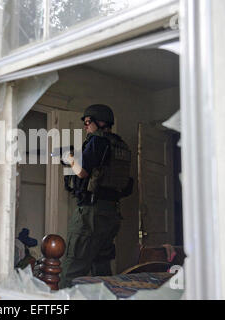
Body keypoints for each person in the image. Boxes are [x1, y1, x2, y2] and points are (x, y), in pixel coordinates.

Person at [59, 104, 133, 289]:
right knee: (101, 267)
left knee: (72, 267)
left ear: (98, 122)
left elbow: (82, 172)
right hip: (111, 214)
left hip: (91, 213)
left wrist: (69, 159)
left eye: (87, 122)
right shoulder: (120, 145)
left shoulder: (97, 141)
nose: (86, 126)